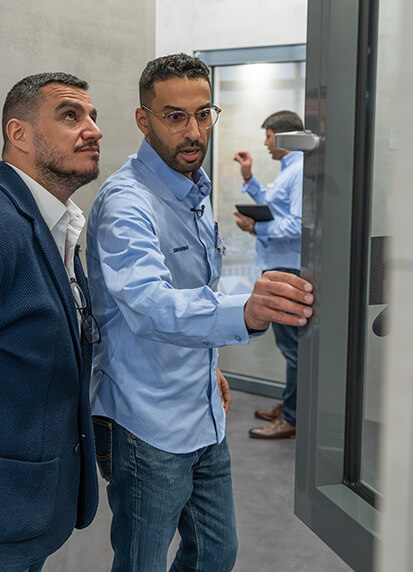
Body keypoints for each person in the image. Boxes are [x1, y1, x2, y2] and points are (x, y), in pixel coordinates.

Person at [86, 53, 313, 572]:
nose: (193, 131)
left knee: (216, 551)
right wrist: (246, 312)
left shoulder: (194, 185)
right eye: (175, 116)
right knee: (142, 563)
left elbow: (197, 289)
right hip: (146, 424)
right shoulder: (127, 204)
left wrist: (210, 365)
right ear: (144, 120)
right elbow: (151, 305)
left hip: (204, 409)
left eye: (203, 114)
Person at [0, 72, 103, 572]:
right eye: (70, 115)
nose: (93, 130)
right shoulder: (3, 225)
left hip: (32, 506)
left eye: (92, 117)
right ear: (18, 134)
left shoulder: (56, 220)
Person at [233, 110, 304, 440]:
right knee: (290, 346)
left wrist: (256, 227)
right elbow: (276, 208)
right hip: (280, 266)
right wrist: (249, 178)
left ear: (283, 137)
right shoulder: (290, 169)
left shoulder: (300, 170)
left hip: (289, 269)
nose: (265, 143)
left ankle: (293, 417)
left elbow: (298, 225)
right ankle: (291, 405)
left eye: (268, 136)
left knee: (294, 349)